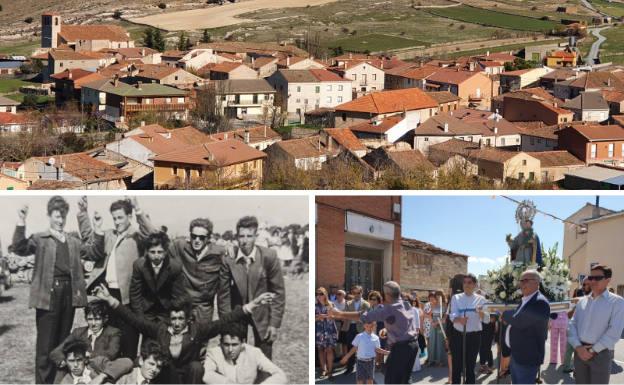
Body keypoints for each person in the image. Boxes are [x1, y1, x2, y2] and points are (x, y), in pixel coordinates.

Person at [93, 284, 274, 383]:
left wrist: (252, 305)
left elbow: (224, 322)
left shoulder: (198, 330)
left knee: (196, 366)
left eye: (181, 319)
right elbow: (133, 319)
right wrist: (110, 299)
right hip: (166, 378)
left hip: (189, 379)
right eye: (174, 319)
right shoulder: (160, 329)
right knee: (167, 366)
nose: (177, 323)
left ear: (187, 318)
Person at [11, 198, 89, 384]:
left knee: (62, 344)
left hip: (69, 294)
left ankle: (58, 382)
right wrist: (21, 220)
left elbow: (93, 250)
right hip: (48, 295)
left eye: (63, 216)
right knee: (45, 348)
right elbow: (19, 248)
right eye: (56, 216)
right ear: (49, 216)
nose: (60, 220)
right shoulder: (40, 239)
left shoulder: (73, 240)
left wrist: (84, 215)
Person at [78, 196, 155, 359]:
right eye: (114, 218)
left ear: (129, 217)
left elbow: (154, 235)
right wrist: (84, 213)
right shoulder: (109, 235)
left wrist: (138, 209)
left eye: (120, 218)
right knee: (109, 342)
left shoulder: (137, 236)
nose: (117, 222)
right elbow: (88, 238)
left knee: (128, 343)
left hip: (128, 298)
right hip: (107, 295)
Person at [138, 216, 231, 322]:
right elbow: (158, 239)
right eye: (194, 236)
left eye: (201, 237)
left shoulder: (219, 253)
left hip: (204, 309)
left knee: (202, 337)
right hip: (183, 305)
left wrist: (232, 248)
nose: (197, 240)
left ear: (208, 238)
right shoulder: (180, 247)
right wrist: (139, 212)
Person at [221, 216, 286, 359]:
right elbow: (223, 295)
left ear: (256, 236)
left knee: (264, 358)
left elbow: (278, 292)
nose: (245, 240)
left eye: (249, 236)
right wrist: (226, 322)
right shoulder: (229, 258)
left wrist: (274, 324)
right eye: (241, 236)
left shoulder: (268, 256)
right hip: (238, 312)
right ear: (236, 236)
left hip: (262, 313)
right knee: (234, 357)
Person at [331, 281, 419, 384]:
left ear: (387, 295)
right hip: (413, 346)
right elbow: (404, 323)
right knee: (405, 378)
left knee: (392, 380)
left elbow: (363, 316)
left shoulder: (389, 309)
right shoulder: (406, 303)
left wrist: (339, 313)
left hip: (401, 349)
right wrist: (387, 329)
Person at [568, 264, 624, 384]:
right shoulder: (582, 301)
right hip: (579, 352)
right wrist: (578, 347)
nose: (592, 281)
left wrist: (592, 350)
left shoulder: (617, 302)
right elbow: (572, 324)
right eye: (590, 277)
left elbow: (614, 332)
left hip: (601, 354)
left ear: (608, 280)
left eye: (597, 278)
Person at [50, 300, 121, 382]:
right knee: (62, 369)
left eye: (97, 319)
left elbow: (110, 354)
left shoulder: (113, 332)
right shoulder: (78, 332)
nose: (93, 323)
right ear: (86, 318)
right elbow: (55, 353)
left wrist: (85, 356)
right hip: (79, 370)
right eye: (90, 319)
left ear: (105, 319)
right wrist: (67, 360)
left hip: (99, 370)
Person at [503, 269, 550, 384]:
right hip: (517, 354)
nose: (522, 283)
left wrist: (504, 314)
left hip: (527, 357)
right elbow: (517, 316)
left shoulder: (540, 302)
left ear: (537, 282)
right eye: (521, 281)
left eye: (525, 280)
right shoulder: (526, 299)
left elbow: (520, 321)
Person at [129, 232, 187, 323]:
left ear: (165, 252)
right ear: (147, 252)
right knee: (147, 335)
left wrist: (173, 312)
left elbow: (178, 294)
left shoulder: (175, 266)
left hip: (167, 308)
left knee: (164, 335)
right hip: (146, 309)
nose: (156, 256)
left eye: (160, 252)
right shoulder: (139, 265)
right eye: (152, 252)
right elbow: (135, 293)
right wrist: (139, 316)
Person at [203, 322, 287, 384]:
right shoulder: (214, 353)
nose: (230, 349)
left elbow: (280, 375)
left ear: (243, 343)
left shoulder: (254, 353)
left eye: (235, 345)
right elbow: (206, 375)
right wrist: (227, 383)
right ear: (220, 342)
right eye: (226, 344)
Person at [448, 274, 489, 384]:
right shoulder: (456, 297)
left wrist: (480, 312)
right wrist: (459, 320)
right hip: (458, 335)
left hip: (474, 336)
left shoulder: (481, 299)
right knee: (456, 365)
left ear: (474, 284)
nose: (466, 285)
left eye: (469, 282)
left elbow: (486, 320)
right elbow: (452, 315)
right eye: (464, 282)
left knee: (470, 366)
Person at [56, 339, 133, 385]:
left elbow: (127, 362)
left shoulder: (97, 363)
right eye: (71, 361)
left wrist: (101, 376)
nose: (75, 365)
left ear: (85, 359)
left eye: (79, 360)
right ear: (66, 361)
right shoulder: (65, 381)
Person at [341, 285, 371, 375]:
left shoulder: (366, 304)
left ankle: (362, 368)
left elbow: (367, 317)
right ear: (352, 294)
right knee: (350, 348)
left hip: (361, 328)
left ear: (362, 293)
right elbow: (345, 315)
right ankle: (350, 368)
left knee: (362, 348)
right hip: (350, 327)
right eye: (354, 293)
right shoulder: (348, 303)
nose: (356, 295)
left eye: (358, 293)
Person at [315, 287, 339, 380]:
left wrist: (323, 316)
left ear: (325, 294)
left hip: (329, 330)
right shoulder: (315, 305)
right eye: (317, 294)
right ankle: (323, 369)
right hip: (319, 330)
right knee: (320, 350)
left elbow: (335, 316)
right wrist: (318, 318)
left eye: (321, 294)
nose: (319, 296)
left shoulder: (331, 304)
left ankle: (330, 371)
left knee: (329, 350)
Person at [425, 291, 447, 368]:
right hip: (433, 325)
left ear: (442, 296)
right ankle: (432, 360)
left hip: (441, 325)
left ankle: (440, 361)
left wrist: (437, 323)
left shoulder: (445, 305)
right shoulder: (433, 304)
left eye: (439, 295)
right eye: (436, 296)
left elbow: (445, 318)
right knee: (432, 342)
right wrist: (432, 322)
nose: (437, 297)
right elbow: (427, 314)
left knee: (440, 343)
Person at [366, 291, 386, 369]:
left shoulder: (381, 307)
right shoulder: (370, 308)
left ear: (378, 300)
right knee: (375, 346)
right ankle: (377, 362)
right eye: (371, 299)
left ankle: (381, 362)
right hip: (372, 329)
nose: (372, 300)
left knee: (381, 346)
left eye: (374, 299)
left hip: (380, 328)